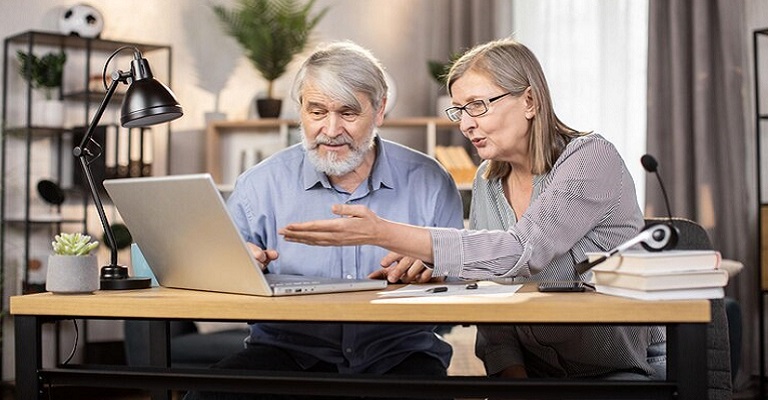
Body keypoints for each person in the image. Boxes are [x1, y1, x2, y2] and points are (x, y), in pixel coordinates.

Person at [280, 38, 666, 381]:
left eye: (478, 106)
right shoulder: (487, 179)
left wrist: (384, 232)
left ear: (529, 101)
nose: (465, 124)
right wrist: (511, 377)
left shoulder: (590, 158)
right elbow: (490, 297)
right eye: (459, 110)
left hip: (619, 372)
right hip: (534, 375)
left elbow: (520, 252)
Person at [184, 41, 464, 400]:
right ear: (301, 109)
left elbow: (461, 289)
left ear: (379, 111)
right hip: (288, 355)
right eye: (317, 112)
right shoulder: (259, 185)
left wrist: (433, 268)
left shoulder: (430, 181)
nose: (330, 130)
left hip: (398, 356)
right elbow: (216, 285)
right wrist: (238, 269)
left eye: (348, 113)